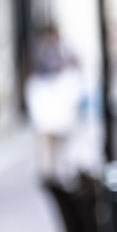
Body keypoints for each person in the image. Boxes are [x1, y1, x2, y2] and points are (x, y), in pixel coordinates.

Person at [24, 23, 83, 181]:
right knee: (47, 135)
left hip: (57, 101)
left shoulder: (62, 49)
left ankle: (54, 166)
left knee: (57, 136)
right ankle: (49, 167)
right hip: (47, 101)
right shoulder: (42, 50)